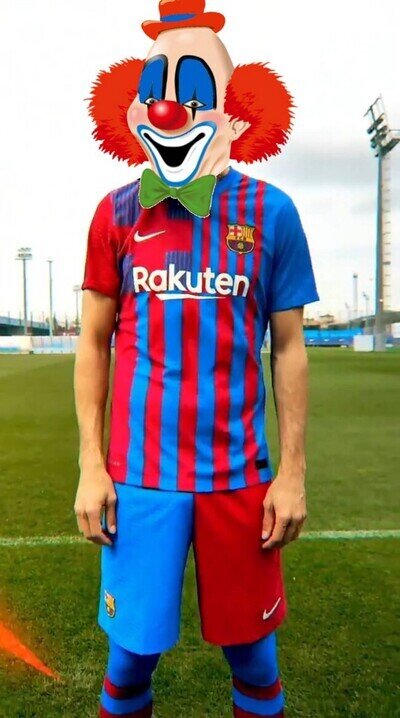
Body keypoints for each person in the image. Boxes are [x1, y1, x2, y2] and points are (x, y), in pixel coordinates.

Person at [73, 1, 320, 716]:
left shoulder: (271, 213)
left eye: (193, 91)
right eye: (156, 90)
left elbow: (289, 347)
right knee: (129, 661)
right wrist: (91, 464)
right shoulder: (116, 213)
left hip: (238, 478)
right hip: (139, 480)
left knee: (255, 659)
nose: (170, 109)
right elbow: (92, 342)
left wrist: (293, 475)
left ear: (234, 105)